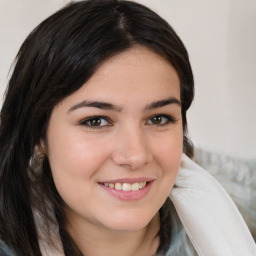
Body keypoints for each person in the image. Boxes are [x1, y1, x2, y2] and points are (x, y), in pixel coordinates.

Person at [0, 1, 255, 256]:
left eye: (158, 119)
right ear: (37, 134)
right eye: (96, 121)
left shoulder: (244, 213)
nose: (136, 156)